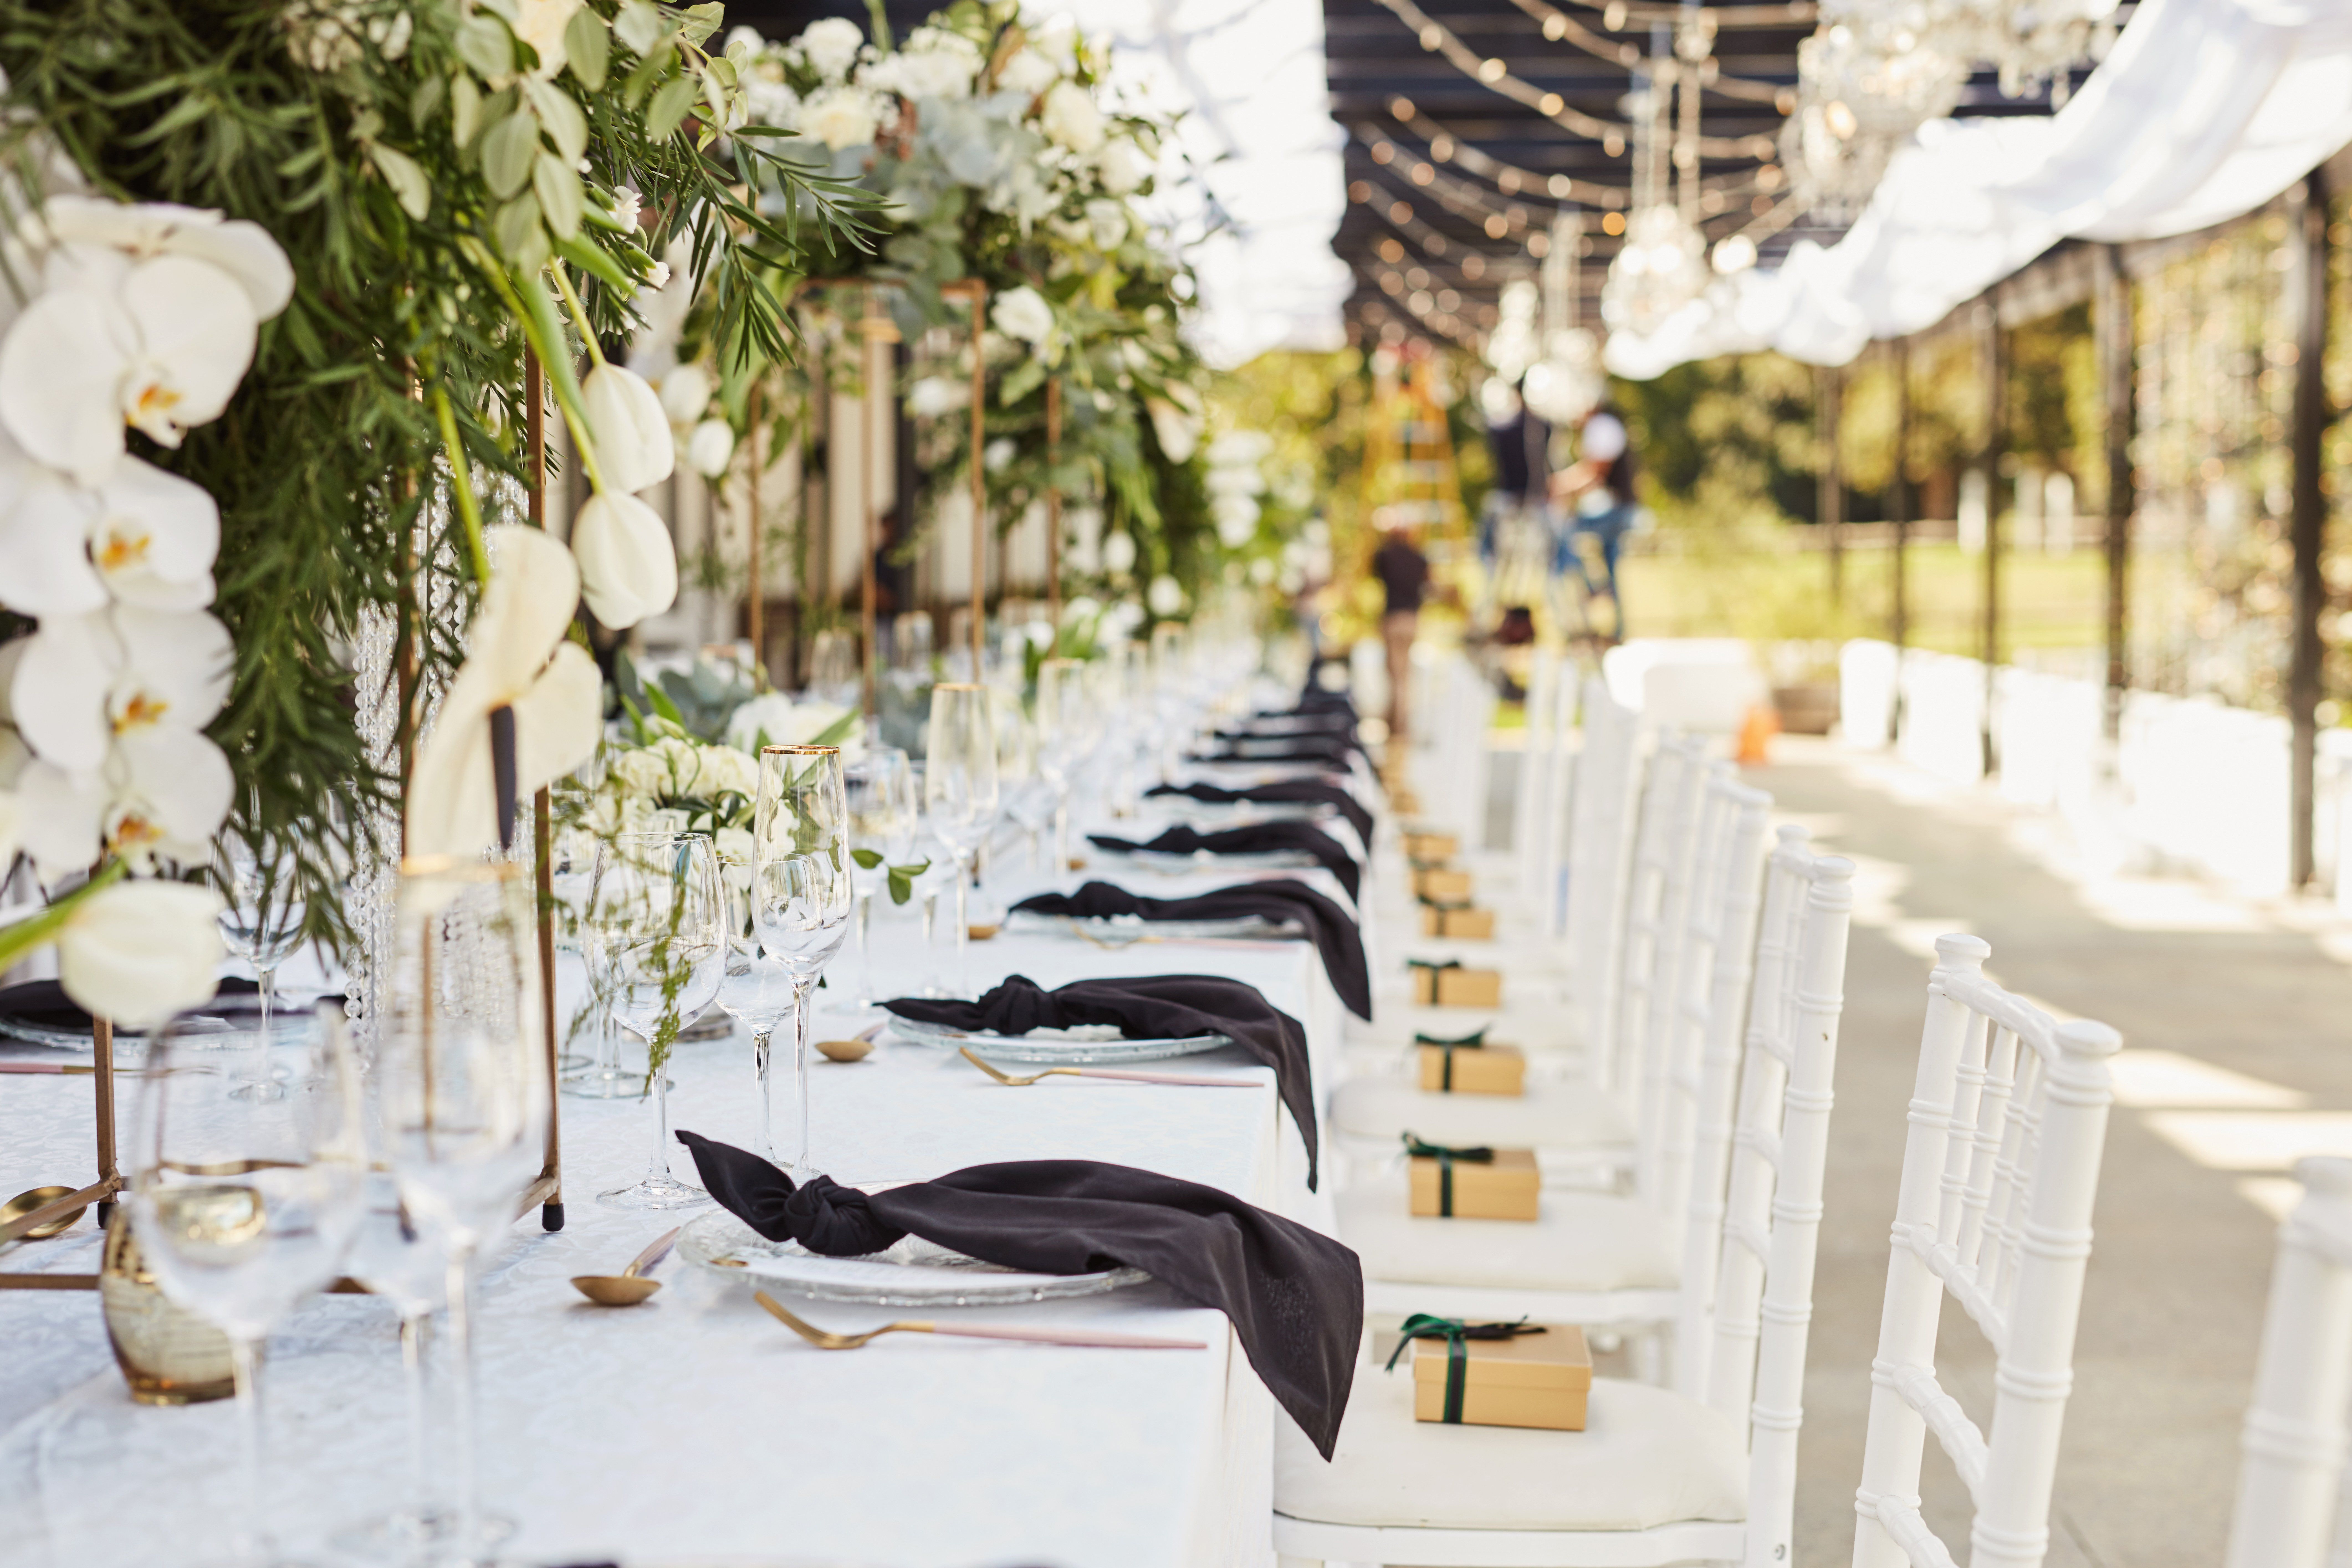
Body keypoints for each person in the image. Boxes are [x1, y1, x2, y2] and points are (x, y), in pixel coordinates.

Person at [1550, 405, 1639, 628]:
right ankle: (1617, 626)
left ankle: (1593, 587)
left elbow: (1595, 473)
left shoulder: (1602, 426)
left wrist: (1559, 486)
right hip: (1621, 509)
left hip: (1618, 511)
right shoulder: (1606, 425)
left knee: (1565, 533)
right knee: (1611, 566)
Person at [1371, 521, 1431, 742]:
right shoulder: (1419, 558)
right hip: (1411, 618)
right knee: (1402, 672)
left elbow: (1375, 570)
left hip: (1394, 618)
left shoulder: (1387, 556)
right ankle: (1397, 718)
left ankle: (1398, 721)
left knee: (1395, 671)